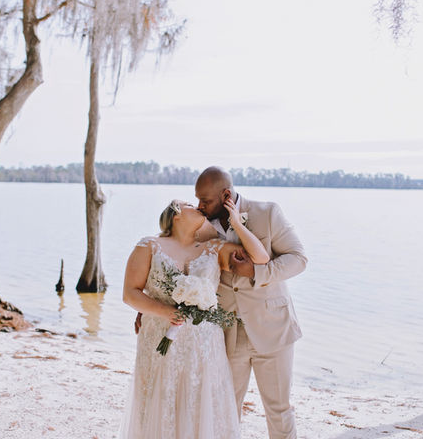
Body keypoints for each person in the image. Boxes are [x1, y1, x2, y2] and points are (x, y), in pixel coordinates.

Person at [119, 197, 269, 439]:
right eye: (189, 203)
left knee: (200, 402)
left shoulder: (214, 249)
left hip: (204, 344)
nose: (198, 205)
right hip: (160, 339)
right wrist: (165, 311)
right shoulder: (148, 246)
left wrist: (237, 224)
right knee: (160, 400)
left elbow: (260, 259)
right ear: (176, 213)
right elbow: (130, 294)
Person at [195, 166, 307, 439]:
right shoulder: (199, 225)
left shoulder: (267, 213)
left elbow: (298, 259)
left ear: (226, 195)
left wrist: (257, 272)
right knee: (226, 409)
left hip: (272, 330)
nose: (199, 207)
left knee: (278, 410)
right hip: (227, 333)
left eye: (206, 201)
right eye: (197, 199)